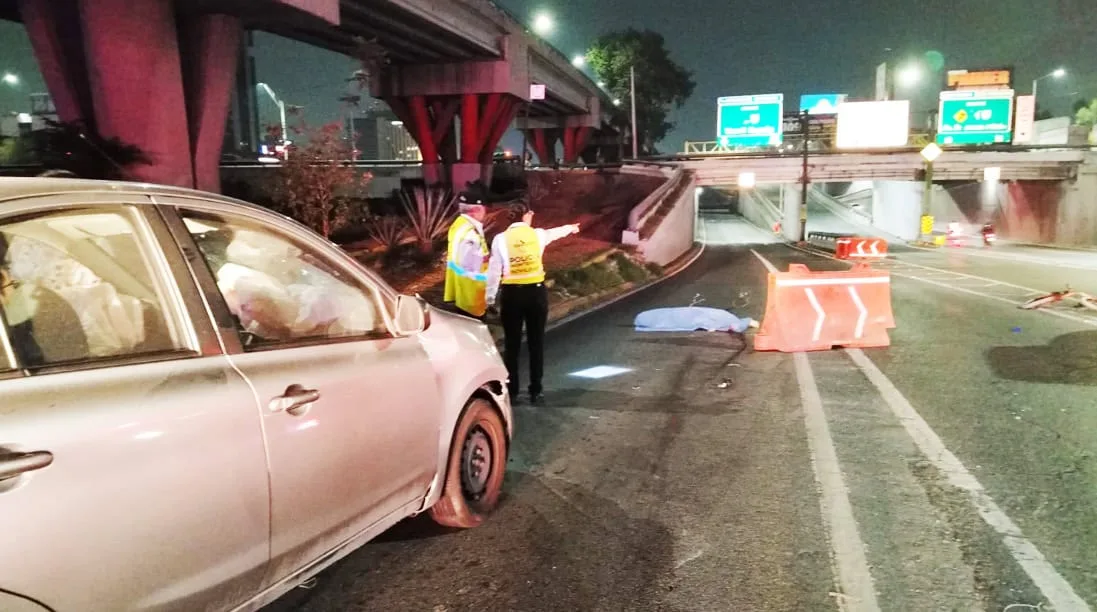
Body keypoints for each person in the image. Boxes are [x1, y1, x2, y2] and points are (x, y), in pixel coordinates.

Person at [486, 203, 579, 404]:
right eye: (531, 213)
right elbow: (555, 233)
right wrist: (571, 228)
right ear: (526, 215)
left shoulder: (500, 239)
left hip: (511, 295)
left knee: (512, 344)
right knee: (536, 342)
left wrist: (490, 297)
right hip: (536, 294)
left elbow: (494, 270)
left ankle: (512, 391)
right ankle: (536, 390)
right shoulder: (537, 235)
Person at [443, 193, 491, 319]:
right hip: (472, 295)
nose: (486, 212)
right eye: (485, 209)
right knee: (475, 326)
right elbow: (470, 267)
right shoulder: (470, 234)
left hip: (461, 290)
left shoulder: (459, 224)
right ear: (476, 210)